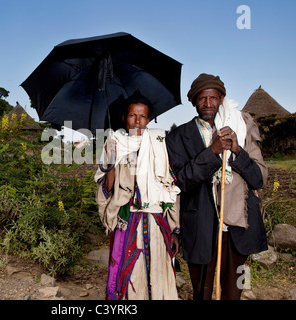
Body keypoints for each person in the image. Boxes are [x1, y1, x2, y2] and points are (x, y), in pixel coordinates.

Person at [165, 73, 268, 300]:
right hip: (199, 225)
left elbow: (259, 179)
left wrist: (238, 151)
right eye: (202, 98)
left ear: (221, 98)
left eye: (213, 98)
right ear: (193, 101)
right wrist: (212, 152)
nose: (208, 104)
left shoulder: (241, 127)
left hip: (238, 226)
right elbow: (181, 181)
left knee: (234, 290)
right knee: (202, 290)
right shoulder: (178, 137)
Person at [95, 90, 181, 300]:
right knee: (130, 275)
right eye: (133, 115)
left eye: (143, 116)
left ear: (148, 119)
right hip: (129, 220)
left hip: (156, 221)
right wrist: (111, 161)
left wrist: (174, 230)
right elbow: (108, 188)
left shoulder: (159, 143)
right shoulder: (115, 143)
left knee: (158, 274)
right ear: (124, 117)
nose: (137, 122)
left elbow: (169, 187)